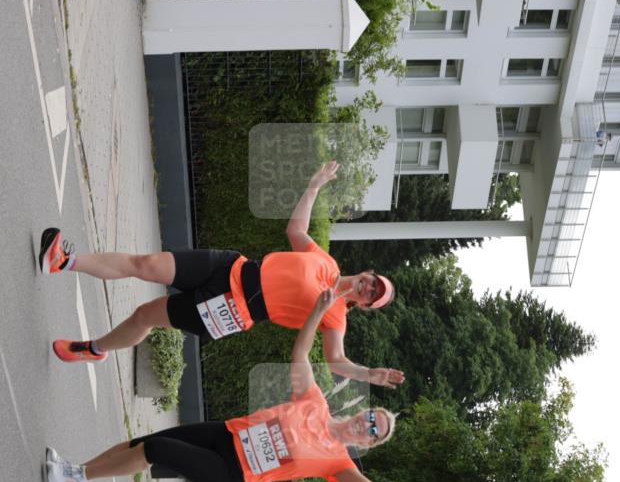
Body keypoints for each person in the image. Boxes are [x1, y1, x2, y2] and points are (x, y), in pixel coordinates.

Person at [45, 285, 449, 482]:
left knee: (159, 449)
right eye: (374, 416)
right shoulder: (316, 403)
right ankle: (76, 473)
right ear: (365, 411)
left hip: (235, 470)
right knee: (143, 444)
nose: (370, 424)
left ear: (368, 443)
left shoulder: (338, 462)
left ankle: (77, 476)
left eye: (376, 431)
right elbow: (300, 355)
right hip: (226, 434)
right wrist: (316, 313)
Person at [38, 161, 404, 389]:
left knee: (145, 315)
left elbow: (336, 361)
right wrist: (313, 187)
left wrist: (367, 373)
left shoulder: (336, 316)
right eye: (374, 282)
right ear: (368, 274)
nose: (369, 287)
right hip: (231, 266)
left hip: (232, 308)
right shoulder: (328, 264)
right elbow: (296, 232)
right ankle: (65, 261)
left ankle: (94, 349)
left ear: (364, 305)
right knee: (146, 263)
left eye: (372, 295)